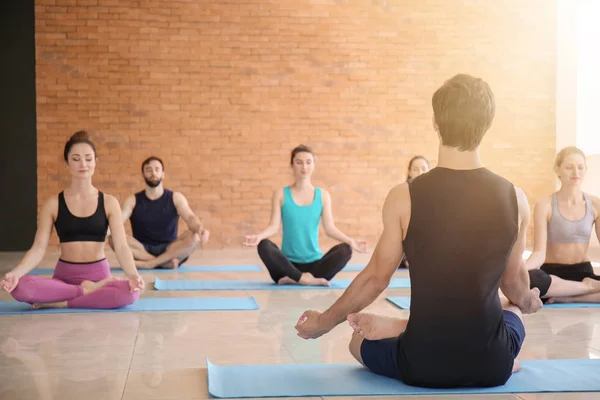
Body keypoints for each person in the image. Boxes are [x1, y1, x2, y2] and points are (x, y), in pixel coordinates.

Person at [295, 74, 543, 388]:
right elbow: (514, 285)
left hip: (423, 364)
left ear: (436, 123)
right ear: (488, 124)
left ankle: (405, 327)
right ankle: (510, 360)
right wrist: (530, 301)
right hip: (492, 365)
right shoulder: (516, 199)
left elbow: (375, 278)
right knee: (513, 312)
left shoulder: (404, 196)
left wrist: (323, 322)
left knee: (356, 344)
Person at [1, 131, 144, 309]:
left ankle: (60, 302)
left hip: (99, 274)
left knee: (132, 292)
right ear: (67, 163)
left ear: (95, 162)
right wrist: (16, 273)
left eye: (88, 158)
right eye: (76, 159)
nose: (83, 164)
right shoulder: (53, 204)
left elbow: (122, 246)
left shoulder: (109, 202)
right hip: (64, 277)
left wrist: (133, 275)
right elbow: (38, 248)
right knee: (21, 288)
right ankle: (87, 292)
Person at [243, 145, 368, 286]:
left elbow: (330, 228)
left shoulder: (323, 196)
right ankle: (303, 279)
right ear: (292, 165)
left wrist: (350, 240)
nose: (304, 167)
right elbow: (273, 226)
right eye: (299, 162)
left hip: (315, 266)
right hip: (286, 266)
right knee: (264, 245)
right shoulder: (281, 194)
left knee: (345, 250)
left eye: (309, 162)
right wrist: (259, 236)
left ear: (314, 165)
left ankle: (299, 279)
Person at [526, 146, 600, 303]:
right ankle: (587, 290)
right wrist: (521, 270)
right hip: (553, 276)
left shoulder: (595, 204)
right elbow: (539, 252)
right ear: (558, 170)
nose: (576, 172)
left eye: (580, 167)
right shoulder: (545, 205)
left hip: (584, 272)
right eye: (569, 167)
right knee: (532, 280)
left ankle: (566, 298)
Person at [108, 156, 209, 269]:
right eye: (149, 170)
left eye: (157, 169)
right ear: (143, 174)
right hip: (141, 249)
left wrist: (199, 228)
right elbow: (119, 220)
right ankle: (164, 263)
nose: (153, 173)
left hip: (171, 248)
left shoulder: (176, 198)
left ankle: (149, 264)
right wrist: (105, 231)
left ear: (163, 174)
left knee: (194, 236)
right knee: (113, 238)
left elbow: (190, 217)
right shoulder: (132, 200)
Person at [399, 156, 431, 269]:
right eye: (416, 169)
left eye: (423, 168)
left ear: (429, 170)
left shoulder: (437, 193)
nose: (420, 172)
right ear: (410, 172)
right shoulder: (403, 193)